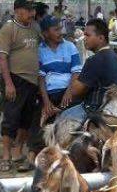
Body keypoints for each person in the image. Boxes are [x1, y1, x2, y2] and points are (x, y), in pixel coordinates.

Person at [24, 15, 82, 171]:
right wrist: (46, 101)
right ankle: (33, 156)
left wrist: (69, 93)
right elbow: (41, 77)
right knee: (38, 120)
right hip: (49, 93)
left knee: (70, 119)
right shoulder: (40, 50)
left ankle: (69, 156)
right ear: (45, 33)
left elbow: (76, 73)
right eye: (56, 29)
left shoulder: (70, 47)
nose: (60, 32)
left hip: (68, 91)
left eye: (60, 28)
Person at [0, 0, 40, 172]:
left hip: (32, 81)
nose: (32, 13)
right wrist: (8, 83)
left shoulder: (34, 28)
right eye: (28, 10)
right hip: (14, 79)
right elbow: (2, 57)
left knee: (26, 120)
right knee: (11, 119)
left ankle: (18, 151)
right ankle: (6, 156)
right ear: (17, 11)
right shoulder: (9, 29)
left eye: (33, 10)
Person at [55, 18, 117, 124]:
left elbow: (75, 91)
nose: (84, 38)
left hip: (95, 110)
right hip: (115, 110)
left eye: (88, 35)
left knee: (61, 118)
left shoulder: (95, 60)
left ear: (101, 38)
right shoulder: (115, 57)